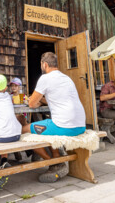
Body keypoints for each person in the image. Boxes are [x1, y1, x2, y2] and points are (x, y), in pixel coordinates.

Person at [22, 52, 86, 183]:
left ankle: (53, 163)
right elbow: (56, 98)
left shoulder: (45, 78)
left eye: (41, 64)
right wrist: (43, 100)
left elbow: (32, 103)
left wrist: (36, 100)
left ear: (44, 64)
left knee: (24, 130)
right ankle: (57, 156)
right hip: (80, 125)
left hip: (64, 126)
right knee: (48, 126)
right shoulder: (66, 78)